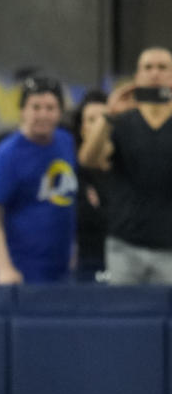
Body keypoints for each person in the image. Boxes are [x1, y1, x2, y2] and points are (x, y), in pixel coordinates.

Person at [78, 47, 172, 284]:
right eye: (147, 67)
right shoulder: (121, 120)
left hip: (169, 247)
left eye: (162, 67)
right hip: (125, 245)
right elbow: (89, 159)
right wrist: (108, 115)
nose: (155, 73)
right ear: (137, 76)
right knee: (124, 316)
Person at [0, 76, 77, 284]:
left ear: (60, 112)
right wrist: (4, 267)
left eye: (50, 108)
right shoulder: (7, 155)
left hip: (62, 271)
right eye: (36, 107)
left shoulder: (66, 141)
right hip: (21, 270)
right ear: (23, 111)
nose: (43, 114)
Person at [71, 90, 109, 280]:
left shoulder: (129, 167)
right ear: (82, 127)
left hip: (124, 260)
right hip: (85, 263)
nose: (99, 126)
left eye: (105, 118)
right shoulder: (72, 170)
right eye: (92, 119)